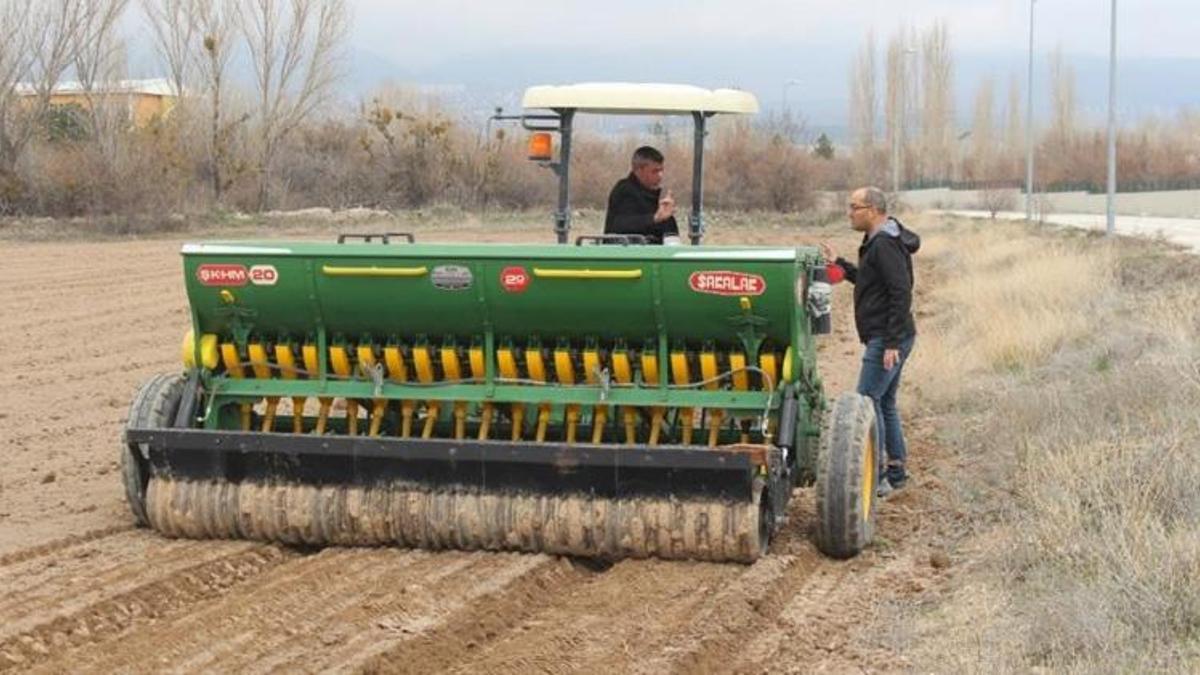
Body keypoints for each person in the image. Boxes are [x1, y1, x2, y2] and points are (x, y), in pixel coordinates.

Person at [820, 186, 920, 496]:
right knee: (884, 402)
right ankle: (897, 470)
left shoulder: (885, 244)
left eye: (855, 207)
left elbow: (900, 291)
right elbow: (870, 280)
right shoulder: (877, 241)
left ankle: (876, 476)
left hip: (888, 337)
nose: (849, 213)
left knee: (865, 401)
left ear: (874, 210)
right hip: (894, 335)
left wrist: (890, 342)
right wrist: (841, 264)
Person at [604, 146, 680, 244]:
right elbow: (620, 225)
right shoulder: (624, 190)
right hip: (626, 255)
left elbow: (670, 232)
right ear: (638, 171)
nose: (660, 176)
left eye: (661, 170)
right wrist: (654, 218)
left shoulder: (658, 197)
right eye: (655, 171)